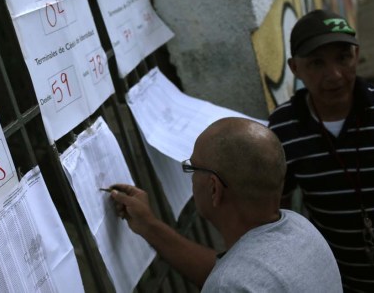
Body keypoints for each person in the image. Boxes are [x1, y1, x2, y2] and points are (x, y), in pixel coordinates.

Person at [110, 117, 342, 292]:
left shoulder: (230, 285)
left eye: (192, 168)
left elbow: (233, 277)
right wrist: (149, 226)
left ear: (214, 188)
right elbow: (238, 268)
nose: (190, 177)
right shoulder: (300, 227)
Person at [268, 9, 374, 291]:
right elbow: (275, 207)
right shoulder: (284, 128)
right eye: (317, 63)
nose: (334, 75)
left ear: (355, 55)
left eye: (343, 58)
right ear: (295, 68)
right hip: (344, 282)